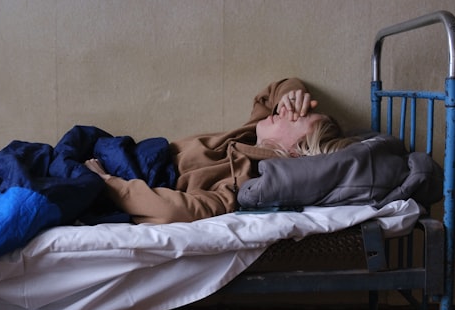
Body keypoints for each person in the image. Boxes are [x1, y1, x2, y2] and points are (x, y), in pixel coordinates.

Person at [84, 78, 352, 224]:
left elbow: (176, 211)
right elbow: (270, 94)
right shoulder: (250, 135)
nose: (283, 111)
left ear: (296, 153)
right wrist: (292, 95)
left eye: (294, 117)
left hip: (128, 176)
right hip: (128, 152)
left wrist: (108, 182)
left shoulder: (247, 181)